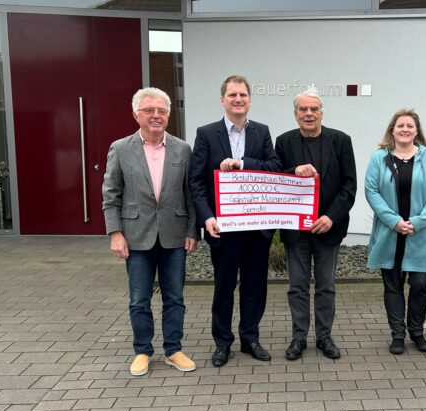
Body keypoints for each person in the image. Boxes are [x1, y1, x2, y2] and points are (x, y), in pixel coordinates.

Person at [102, 87, 198, 376]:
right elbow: (111, 194)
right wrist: (115, 233)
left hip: (174, 234)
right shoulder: (120, 148)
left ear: (168, 115)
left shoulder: (182, 148)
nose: (156, 116)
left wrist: (192, 230)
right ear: (136, 115)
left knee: (175, 297)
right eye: (149, 110)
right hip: (136, 236)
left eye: (162, 111)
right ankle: (142, 351)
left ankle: (173, 349)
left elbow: (190, 194)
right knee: (139, 298)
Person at [188, 75, 281, 367]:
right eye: (232, 95)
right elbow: (196, 181)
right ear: (222, 100)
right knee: (224, 286)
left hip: (256, 227)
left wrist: (243, 164)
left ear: (250, 100)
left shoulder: (262, 132)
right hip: (223, 228)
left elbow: (275, 168)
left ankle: (250, 338)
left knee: (255, 286)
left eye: (242, 94)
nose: (238, 99)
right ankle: (222, 343)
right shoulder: (206, 133)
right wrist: (207, 217)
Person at [274, 87, 357, 360]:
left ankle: (324, 337)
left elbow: (349, 186)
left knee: (326, 286)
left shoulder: (341, 140)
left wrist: (331, 217)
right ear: (296, 114)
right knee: (297, 286)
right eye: (303, 109)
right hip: (295, 229)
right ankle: (299, 338)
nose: (308, 114)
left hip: (328, 228)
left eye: (314, 109)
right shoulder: (284, 142)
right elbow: (275, 178)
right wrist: (292, 171)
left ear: (322, 112)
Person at [365, 109, 426, 355]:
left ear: (417, 131)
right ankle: (397, 334)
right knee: (393, 285)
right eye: (400, 125)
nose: (405, 129)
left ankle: (417, 332)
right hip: (390, 232)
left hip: (419, 233)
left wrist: (418, 222)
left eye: (410, 126)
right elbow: (371, 191)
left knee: (419, 284)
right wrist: (394, 221)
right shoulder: (379, 158)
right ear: (392, 130)